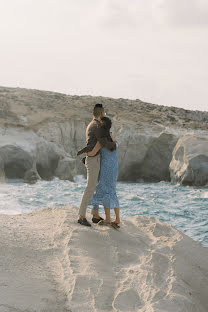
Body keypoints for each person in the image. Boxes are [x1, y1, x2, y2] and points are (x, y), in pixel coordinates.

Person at [77, 104, 117, 227]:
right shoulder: (97, 125)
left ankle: (95, 215)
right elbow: (100, 143)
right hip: (94, 159)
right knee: (90, 187)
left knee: (96, 187)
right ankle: (81, 216)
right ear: (102, 114)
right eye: (104, 113)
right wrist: (93, 153)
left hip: (95, 159)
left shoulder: (92, 124)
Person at [87, 117, 120, 229]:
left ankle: (107, 219)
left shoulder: (101, 142)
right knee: (112, 191)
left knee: (105, 190)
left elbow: (92, 153)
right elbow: (114, 142)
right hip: (114, 168)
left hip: (106, 168)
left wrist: (86, 155)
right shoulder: (112, 139)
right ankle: (117, 219)